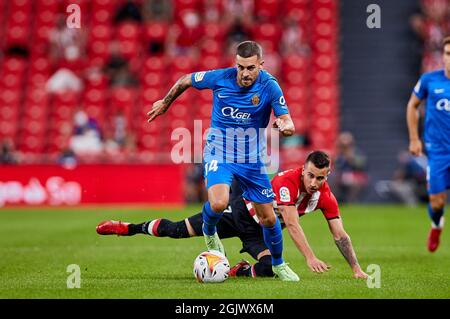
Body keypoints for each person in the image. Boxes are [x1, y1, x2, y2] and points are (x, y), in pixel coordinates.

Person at [147, 41, 299, 281]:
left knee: (269, 218)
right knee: (218, 203)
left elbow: (288, 121)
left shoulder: (270, 86)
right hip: (220, 152)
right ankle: (209, 232)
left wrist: (285, 127)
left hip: (251, 160)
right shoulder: (220, 77)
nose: (244, 73)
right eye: (240, 67)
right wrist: (166, 102)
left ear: (261, 64)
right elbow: (186, 79)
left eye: (250, 68)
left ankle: (279, 265)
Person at [97, 151, 368, 279]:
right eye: (310, 175)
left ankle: (237, 270)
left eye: (320, 178)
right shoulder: (288, 182)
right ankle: (128, 227)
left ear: (327, 175)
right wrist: (309, 257)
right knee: (177, 230)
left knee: (267, 270)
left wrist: (356, 269)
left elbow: (340, 234)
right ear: (303, 169)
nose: (314, 182)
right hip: (238, 212)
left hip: (259, 231)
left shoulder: (326, 197)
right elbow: (293, 223)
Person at [406, 36, 450, 253]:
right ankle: (436, 225)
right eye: (447, 54)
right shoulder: (429, 80)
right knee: (437, 202)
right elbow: (413, 106)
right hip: (438, 151)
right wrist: (414, 139)